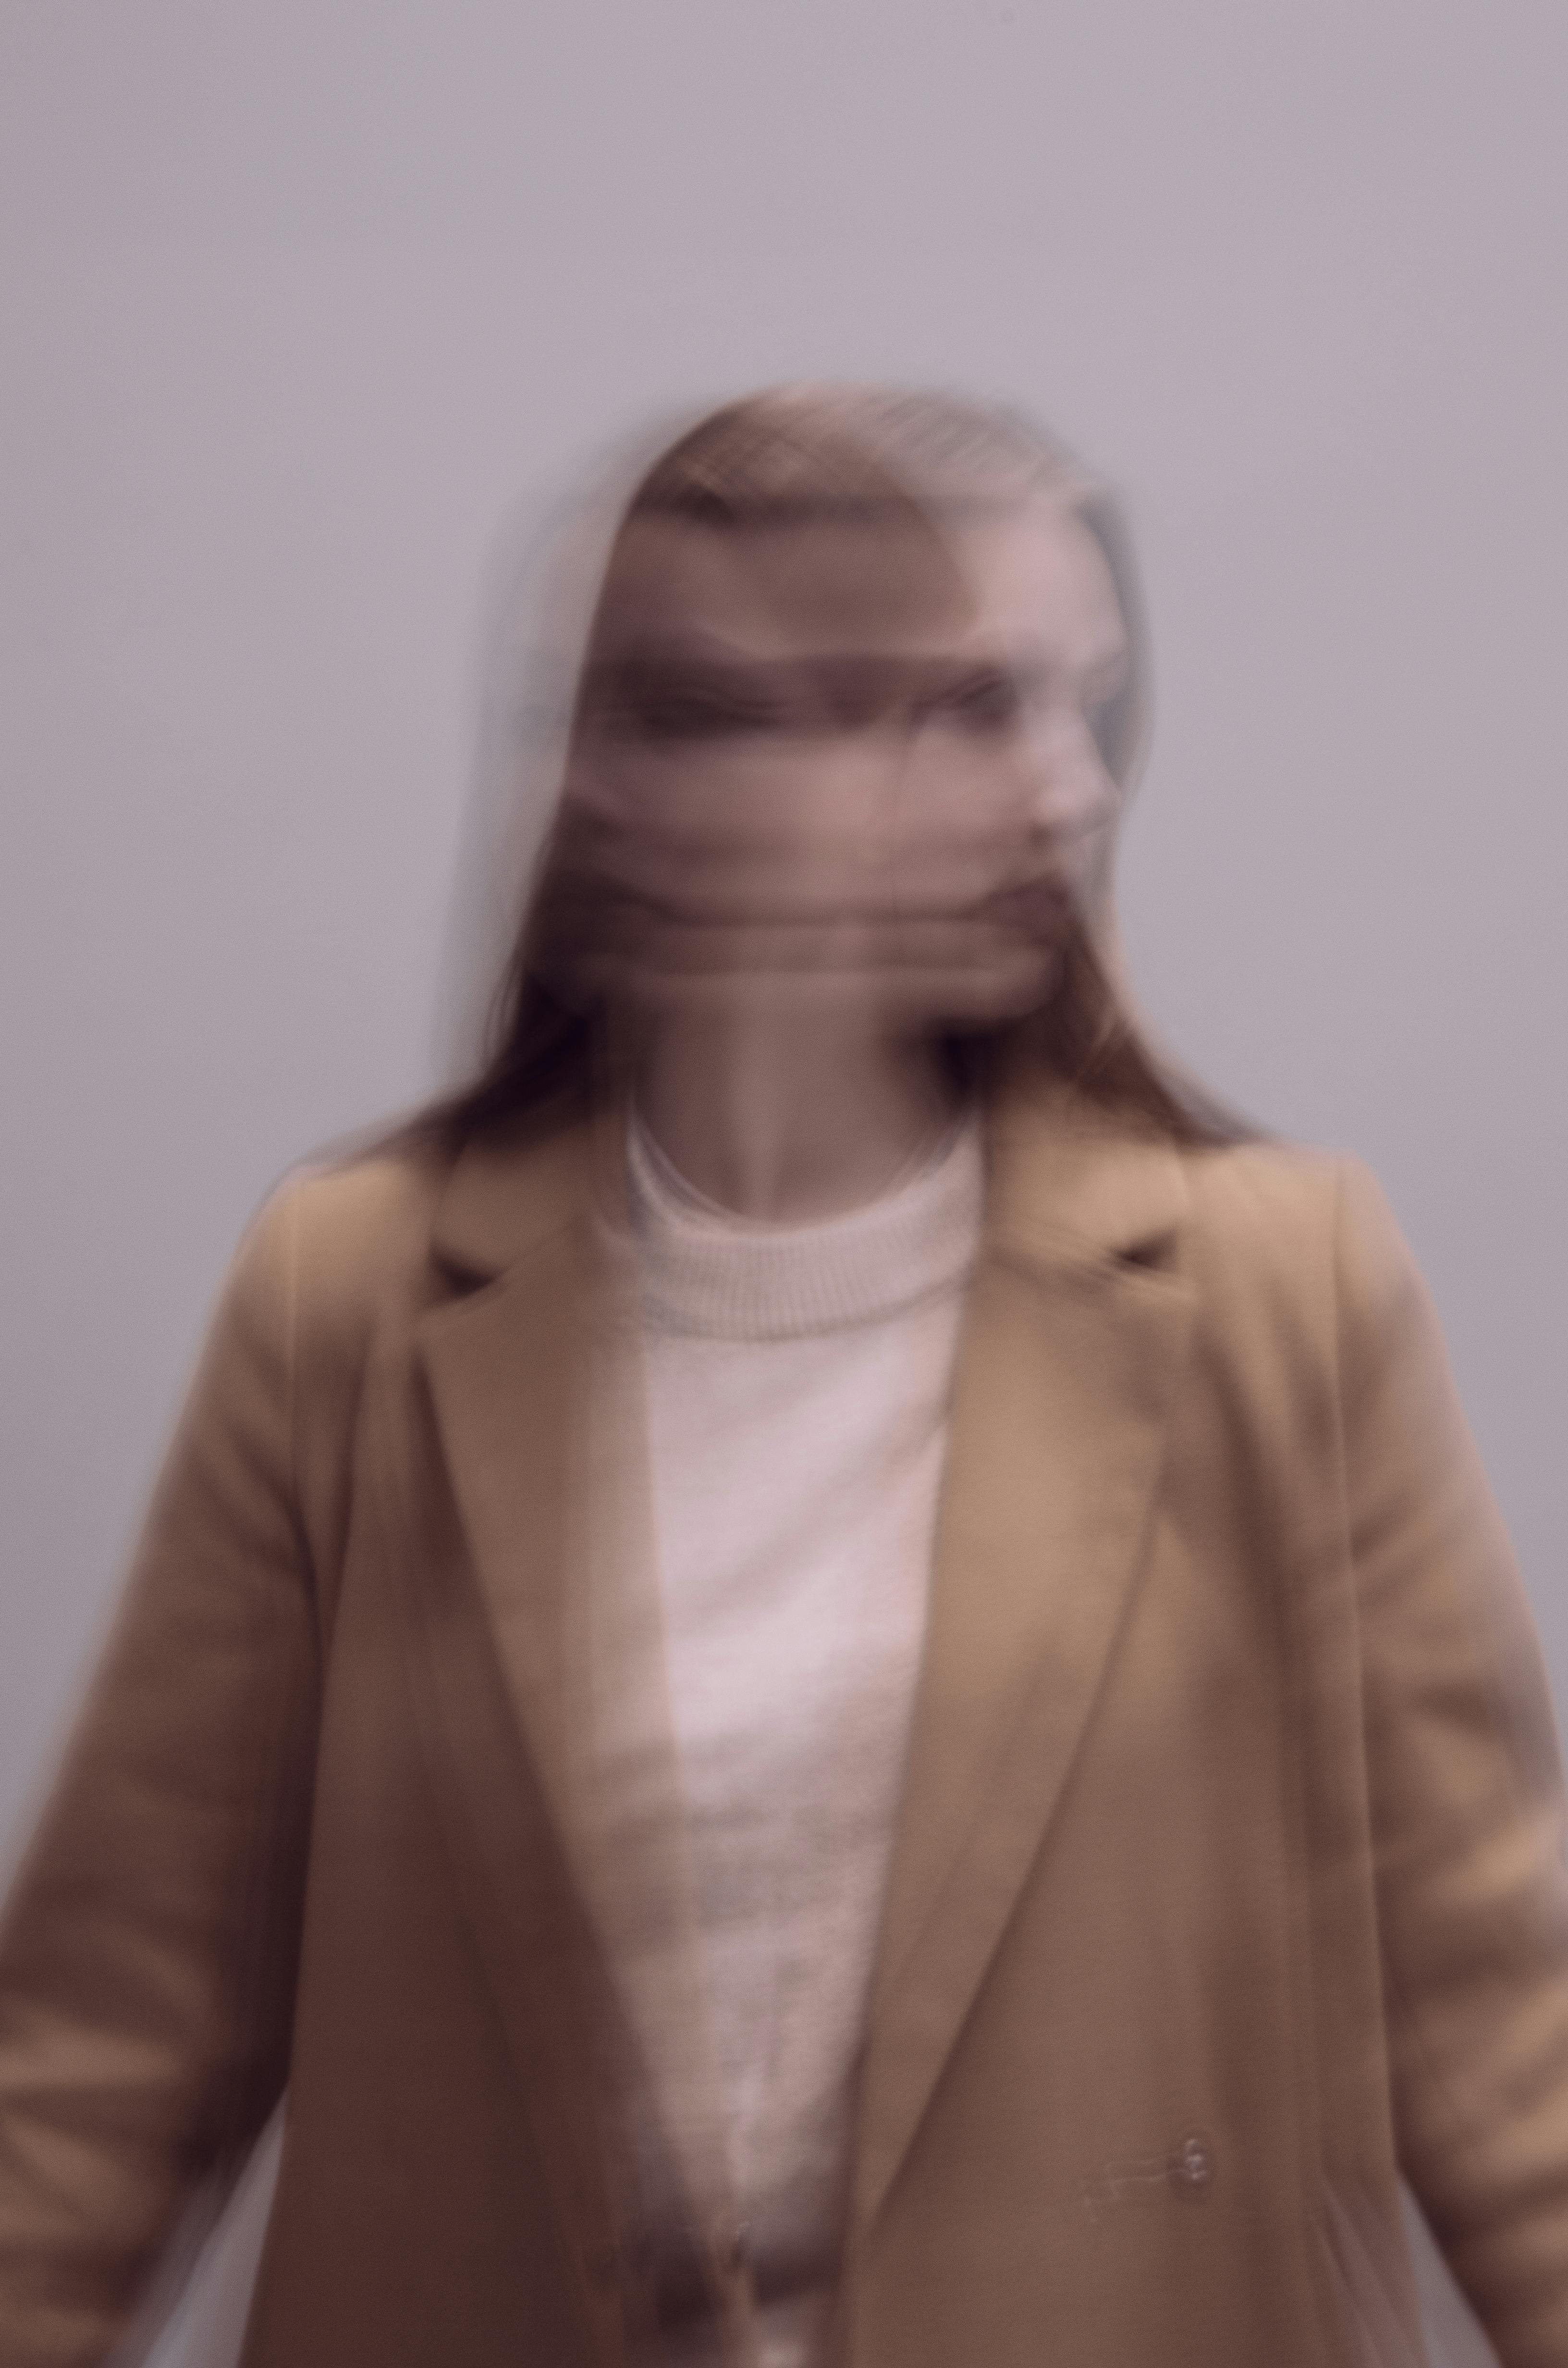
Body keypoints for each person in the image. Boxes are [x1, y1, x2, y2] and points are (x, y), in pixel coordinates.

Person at [1, 383, 1566, 2368]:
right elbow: (96, 2071)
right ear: (682, 754)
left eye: (1083, 709)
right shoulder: (359, 1302)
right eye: (972, 706)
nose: (1070, 792)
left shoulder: (1277, 1290)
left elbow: (1503, 2044)